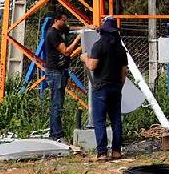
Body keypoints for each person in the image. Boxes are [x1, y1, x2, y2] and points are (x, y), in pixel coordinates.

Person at [82, 16, 128, 161]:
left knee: (99, 120)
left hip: (101, 87)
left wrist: (85, 59)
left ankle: (102, 152)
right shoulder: (120, 49)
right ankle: (116, 151)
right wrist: (120, 85)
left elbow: (92, 66)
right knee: (115, 120)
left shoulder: (99, 45)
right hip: (115, 87)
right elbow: (124, 70)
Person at [43, 12, 75, 142]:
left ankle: (55, 132)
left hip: (60, 71)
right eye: (64, 20)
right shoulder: (53, 34)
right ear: (56, 20)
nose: (66, 22)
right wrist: (78, 41)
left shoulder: (61, 30)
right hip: (55, 72)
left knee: (57, 103)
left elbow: (72, 29)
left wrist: (88, 27)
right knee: (56, 104)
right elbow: (66, 51)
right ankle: (57, 134)